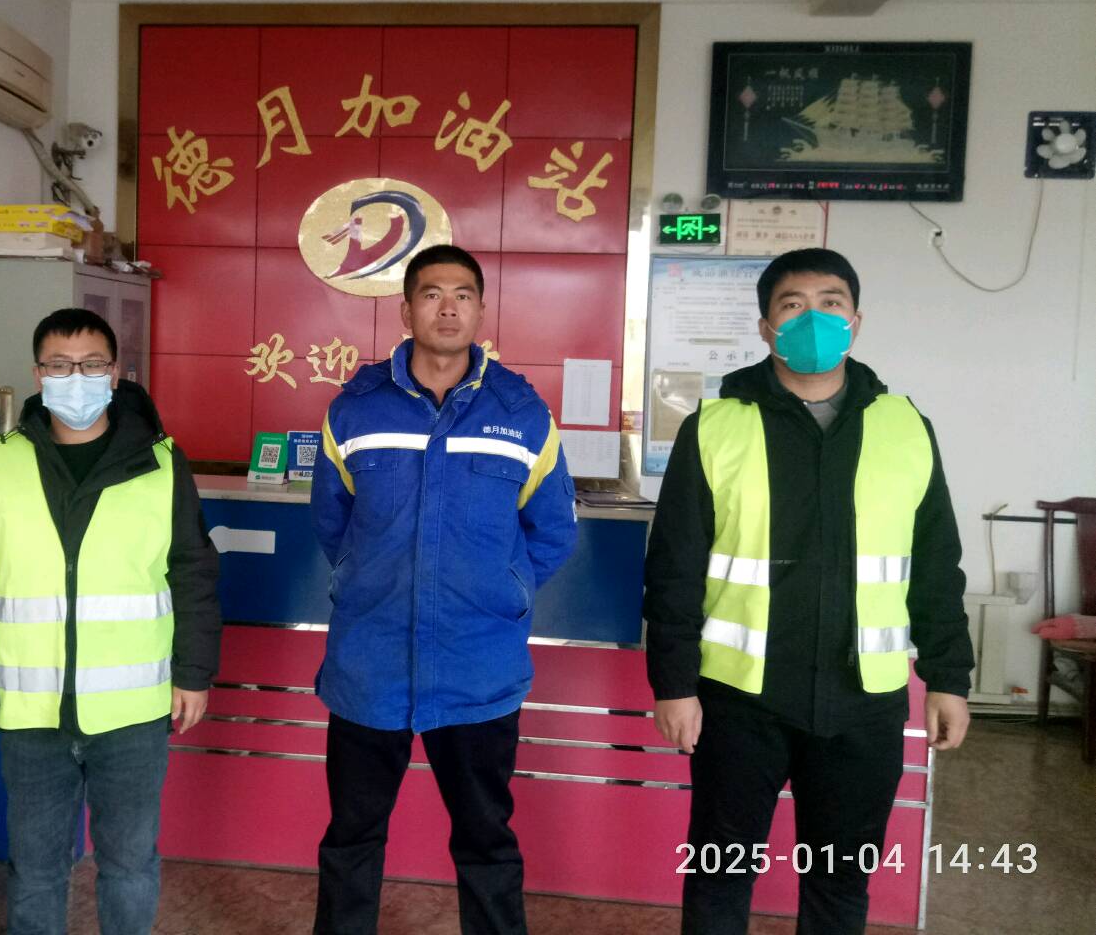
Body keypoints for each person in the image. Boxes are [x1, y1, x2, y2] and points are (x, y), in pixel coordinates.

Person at [643, 248, 974, 934]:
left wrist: (948, 678)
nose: (813, 318)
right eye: (792, 306)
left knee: (840, 882)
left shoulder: (905, 426)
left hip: (863, 703)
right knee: (720, 874)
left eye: (830, 303)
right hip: (740, 702)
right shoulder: (715, 426)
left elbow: (937, 565)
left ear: (856, 320)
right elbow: (673, 566)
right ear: (765, 326)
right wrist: (672, 685)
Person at [310, 244, 579, 935]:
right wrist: (365, 580)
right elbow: (333, 522)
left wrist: (502, 589)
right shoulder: (354, 411)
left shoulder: (522, 413)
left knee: (486, 838)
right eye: (432, 294)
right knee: (352, 836)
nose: (448, 307)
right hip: (370, 663)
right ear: (406, 311)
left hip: (477, 663)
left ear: (481, 311)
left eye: (463, 294)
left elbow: (552, 530)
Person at [0, 307, 221, 935]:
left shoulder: (160, 463)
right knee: (36, 870)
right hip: (29, 710)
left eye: (92, 365)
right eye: (61, 366)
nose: (77, 378)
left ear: (115, 374)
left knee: (129, 864)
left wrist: (194, 673)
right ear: (38, 375)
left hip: (132, 712)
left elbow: (194, 573)